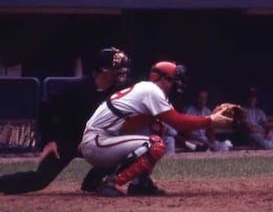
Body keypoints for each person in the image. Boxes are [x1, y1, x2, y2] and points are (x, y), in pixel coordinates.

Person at [79, 61, 237, 196]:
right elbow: (179, 122)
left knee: (157, 127)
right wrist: (210, 120)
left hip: (102, 141)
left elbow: (171, 122)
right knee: (155, 145)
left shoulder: (149, 90)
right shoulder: (151, 91)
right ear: (164, 79)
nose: (178, 84)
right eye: (175, 80)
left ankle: (140, 182)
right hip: (97, 143)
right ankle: (111, 182)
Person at [0, 47, 130, 195]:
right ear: (103, 69)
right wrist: (49, 141)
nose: (123, 73)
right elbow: (45, 108)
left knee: (126, 149)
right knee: (40, 180)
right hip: (67, 140)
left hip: (94, 140)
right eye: (118, 69)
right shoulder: (75, 88)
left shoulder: (118, 92)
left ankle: (93, 182)